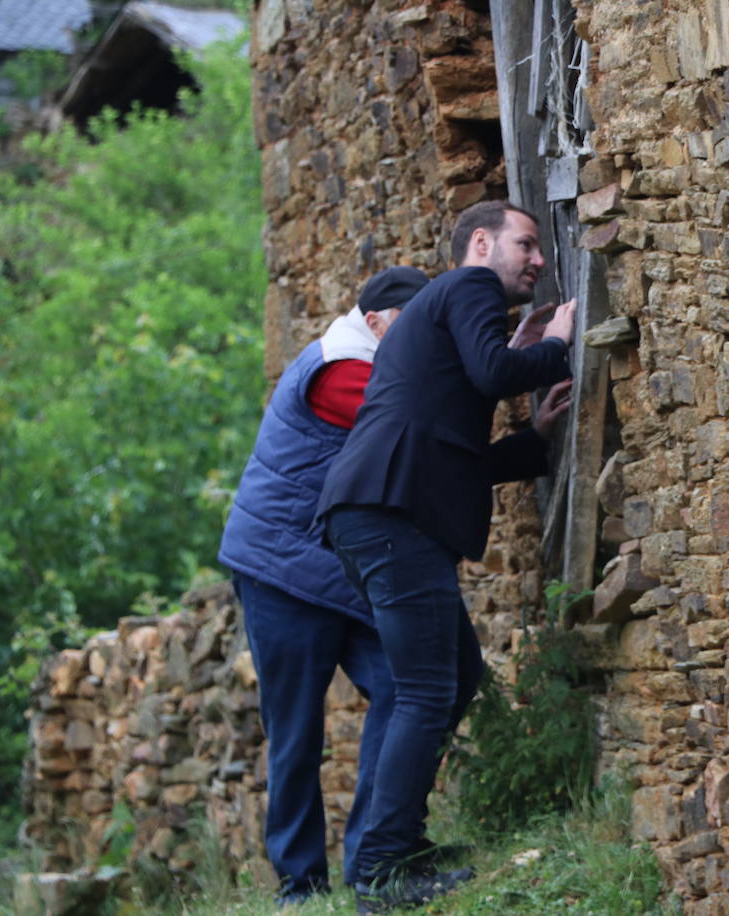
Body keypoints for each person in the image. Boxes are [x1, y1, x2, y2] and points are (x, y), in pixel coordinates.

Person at [316, 200, 576, 913]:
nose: (538, 259)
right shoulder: (467, 287)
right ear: (482, 243)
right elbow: (496, 374)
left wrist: (537, 438)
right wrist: (555, 343)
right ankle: (380, 871)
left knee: (449, 678)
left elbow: (450, 449)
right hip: (388, 516)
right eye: (526, 244)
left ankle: (398, 843)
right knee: (428, 687)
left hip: (383, 511)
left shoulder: (446, 318)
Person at [218, 266, 428, 904]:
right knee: (295, 730)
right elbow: (414, 428)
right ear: (373, 324)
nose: (417, 340)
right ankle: (298, 884)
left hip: (334, 570)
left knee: (402, 685)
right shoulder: (342, 369)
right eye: (408, 327)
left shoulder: (371, 358)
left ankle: (375, 856)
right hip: (281, 570)